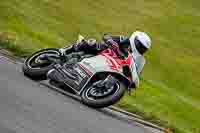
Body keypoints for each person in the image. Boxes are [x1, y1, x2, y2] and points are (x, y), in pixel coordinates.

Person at [62, 31, 152, 74]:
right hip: (104, 53)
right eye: (140, 45)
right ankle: (64, 51)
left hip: (111, 66)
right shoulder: (125, 40)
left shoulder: (135, 58)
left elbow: (135, 71)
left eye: (143, 49)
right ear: (134, 39)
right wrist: (113, 43)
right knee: (93, 44)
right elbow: (106, 36)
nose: (141, 49)